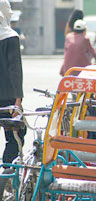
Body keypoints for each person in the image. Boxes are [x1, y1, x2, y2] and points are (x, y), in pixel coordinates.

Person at [0, 0, 26, 164]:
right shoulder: (11, 37)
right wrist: (18, 101)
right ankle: (8, 171)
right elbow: (15, 71)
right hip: (8, 100)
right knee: (16, 136)